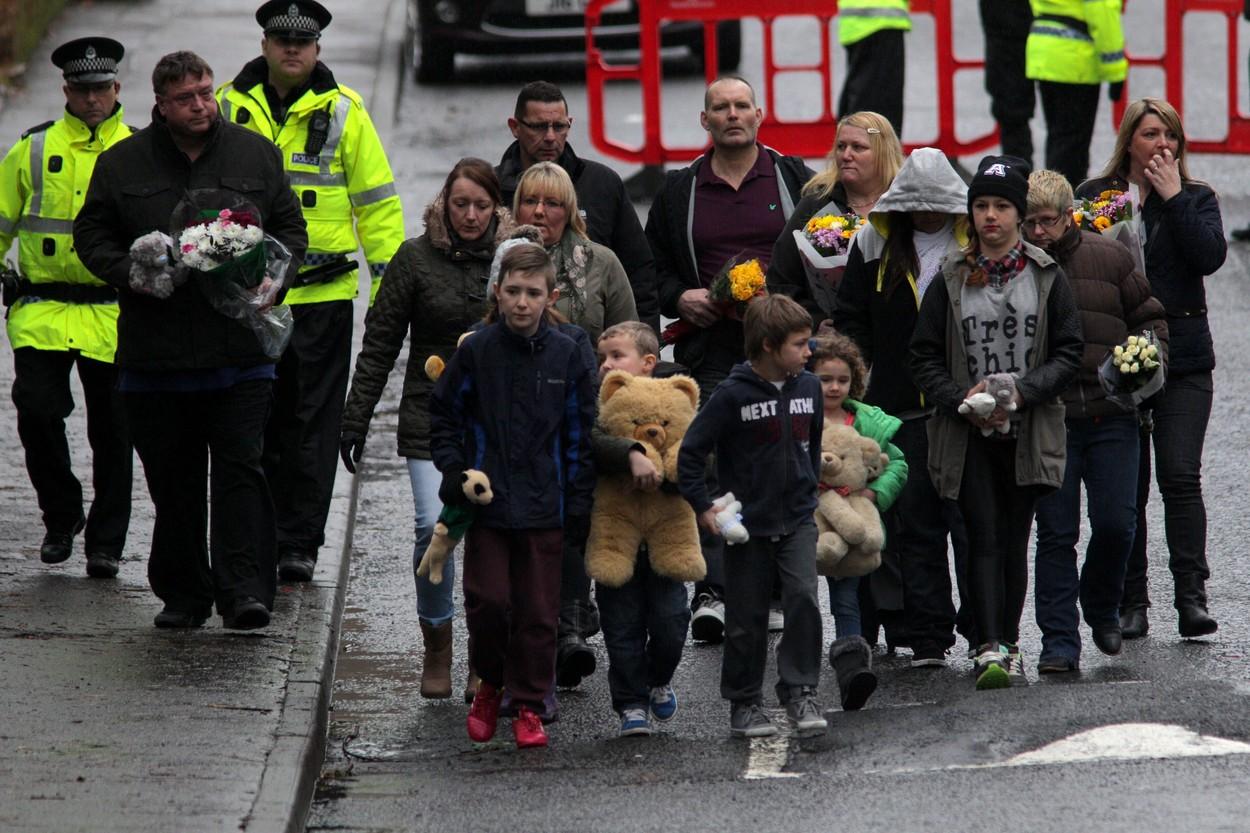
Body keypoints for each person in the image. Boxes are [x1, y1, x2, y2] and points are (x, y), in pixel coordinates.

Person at [73, 50, 308, 629]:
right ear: (160, 103)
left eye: (206, 92)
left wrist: (275, 279)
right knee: (173, 483)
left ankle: (245, 592)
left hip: (241, 354)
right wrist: (131, 270)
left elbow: (289, 230)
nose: (202, 105)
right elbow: (91, 232)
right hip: (157, 357)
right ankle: (183, 594)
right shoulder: (123, 164)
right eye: (187, 98)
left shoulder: (255, 153)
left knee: (239, 472)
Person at [218, 0, 405, 583]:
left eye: (302, 41)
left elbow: (378, 206)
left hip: (321, 296)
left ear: (317, 48)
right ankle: (257, 534)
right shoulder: (226, 105)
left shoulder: (345, 112)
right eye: (280, 39)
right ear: (266, 45)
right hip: (243, 298)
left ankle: (299, 542)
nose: (291, 49)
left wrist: (389, 293)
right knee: (252, 424)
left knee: (311, 426)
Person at [646, 75, 812, 641]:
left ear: (760, 115)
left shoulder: (794, 181)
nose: (733, 114)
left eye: (742, 106)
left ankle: (772, 591)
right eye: (721, 107)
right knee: (716, 463)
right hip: (713, 348)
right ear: (706, 120)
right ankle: (713, 591)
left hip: (782, 353)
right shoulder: (679, 192)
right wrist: (681, 296)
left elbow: (826, 255)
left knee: (780, 461)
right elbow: (654, 271)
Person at [339, 158, 513, 699]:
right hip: (429, 417)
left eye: (481, 206)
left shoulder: (514, 259)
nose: (470, 215)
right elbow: (381, 344)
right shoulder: (413, 259)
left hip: (499, 420)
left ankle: (486, 659)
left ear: (495, 208)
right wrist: (356, 415)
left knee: (494, 539)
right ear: (444, 202)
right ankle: (437, 645)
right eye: (460, 204)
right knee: (431, 526)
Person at [910, 154, 1082, 689]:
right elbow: (923, 355)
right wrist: (960, 398)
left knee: (1014, 535)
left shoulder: (1046, 274)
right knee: (980, 532)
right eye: (981, 205)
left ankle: (1007, 640)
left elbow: (1069, 349)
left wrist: (1021, 393)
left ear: (1018, 214)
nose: (990, 216)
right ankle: (988, 645)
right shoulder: (952, 277)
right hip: (967, 431)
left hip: (1028, 430)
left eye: (1001, 207)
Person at [429, 243, 596, 749]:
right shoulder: (477, 351)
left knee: (538, 612)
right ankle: (489, 682)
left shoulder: (569, 352)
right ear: (497, 293)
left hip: (547, 505)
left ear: (552, 296)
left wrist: (581, 504)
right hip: (490, 505)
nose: (523, 303)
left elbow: (579, 433)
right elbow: (444, 416)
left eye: (533, 293)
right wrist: (455, 471)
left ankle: (528, 705)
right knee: (488, 602)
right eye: (514, 292)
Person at [1079, 98, 1227, 640]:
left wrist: (1172, 199)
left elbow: (1209, 256)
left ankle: (1191, 598)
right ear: (1128, 143)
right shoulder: (1097, 197)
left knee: (1180, 477)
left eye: (1169, 135)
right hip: (1119, 357)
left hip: (1184, 358)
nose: (1161, 145)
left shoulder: (1197, 198)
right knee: (1128, 487)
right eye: (1149, 134)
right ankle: (1132, 601)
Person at [1023, 169, 1168, 673]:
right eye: (1030, 222)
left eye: (1046, 221)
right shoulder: (1020, 267)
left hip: (1113, 417)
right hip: (1051, 421)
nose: (1037, 232)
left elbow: (1150, 318)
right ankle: (1059, 644)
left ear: (1069, 216)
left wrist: (1149, 360)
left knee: (1116, 525)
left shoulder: (1110, 256)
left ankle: (1102, 605)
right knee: (1056, 535)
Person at [0, 37, 134, 577]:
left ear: (117, 89)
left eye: (101, 88)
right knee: (36, 411)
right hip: (42, 310)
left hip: (114, 313)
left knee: (115, 431)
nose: (92, 99)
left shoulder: (139, 151)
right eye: (82, 90)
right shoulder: (32, 149)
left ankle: (106, 542)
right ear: (66, 91)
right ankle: (61, 516)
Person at [833, 147, 973, 664]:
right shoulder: (873, 242)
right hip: (892, 411)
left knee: (951, 525)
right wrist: (858, 396)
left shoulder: (968, 242)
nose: (927, 214)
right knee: (896, 526)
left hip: (956, 410)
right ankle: (904, 633)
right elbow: (851, 319)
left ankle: (953, 633)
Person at [509, 160, 636, 687]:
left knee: (576, 519)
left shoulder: (601, 262)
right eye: (530, 201)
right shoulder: (500, 262)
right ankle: (540, 634)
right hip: (516, 416)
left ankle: (571, 625)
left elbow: (631, 336)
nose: (541, 212)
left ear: (571, 211)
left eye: (553, 203)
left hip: (585, 413)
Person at [677, 293, 827, 739]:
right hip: (747, 527)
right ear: (767, 345)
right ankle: (744, 702)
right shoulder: (731, 394)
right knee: (746, 618)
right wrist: (704, 507)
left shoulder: (810, 388)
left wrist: (809, 491)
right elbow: (691, 454)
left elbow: (813, 446)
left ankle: (800, 690)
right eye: (800, 344)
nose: (809, 352)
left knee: (803, 598)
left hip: (797, 517)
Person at [496, 81, 658, 334]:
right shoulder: (491, 190)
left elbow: (639, 272)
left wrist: (647, 350)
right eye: (539, 127)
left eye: (559, 126)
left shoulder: (602, 183)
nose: (550, 137)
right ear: (515, 127)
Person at [592, 321, 691, 737]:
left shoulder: (675, 398)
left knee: (671, 621)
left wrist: (669, 471)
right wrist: (628, 453)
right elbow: (589, 440)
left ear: (649, 363)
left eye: (616, 356)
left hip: (668, 535)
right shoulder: (598, 404)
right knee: (621, 625)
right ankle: (630, 702)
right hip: (616, 535)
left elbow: (696, 452)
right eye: (602, 359)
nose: (605, 366)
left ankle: (657, 678)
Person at [809, 333, 907, 712]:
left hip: (848, 518)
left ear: (855, 382)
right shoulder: (799, 414)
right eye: (824, 379)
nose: (834, 387)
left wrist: (873, 493)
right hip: (807, 518)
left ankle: (851, 670)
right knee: (800, 595)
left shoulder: (865, 421)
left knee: (846, 596)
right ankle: (799, 673)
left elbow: (896, 462)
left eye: (843, 380)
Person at [766, 110, 904, 325]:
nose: (846, 155)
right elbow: (782, 279)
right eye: (841, 146)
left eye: (858, 147)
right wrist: (813, 322)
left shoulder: (904, 204)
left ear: (883, 152)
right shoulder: (816, 204)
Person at [1025, 0, 1127, 185]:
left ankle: (1050, 201)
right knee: (1072, 150)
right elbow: (1102, 12)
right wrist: (1115, 70)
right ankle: (1064, 206)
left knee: (1058, 140)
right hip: (1075, 59)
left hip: (1044, 52)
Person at [837, 0, 909, 136]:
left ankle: (849, 149)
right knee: (878, 113)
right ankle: (873, 154)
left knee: (861, 101)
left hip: (863, 21)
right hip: (879, 20)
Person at [979, 0, 1035, 163]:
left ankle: (1017, 177)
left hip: (1005, 30)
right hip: (1006, 30)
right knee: (1065, 130)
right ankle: (1018, 177)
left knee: (1065, 130)